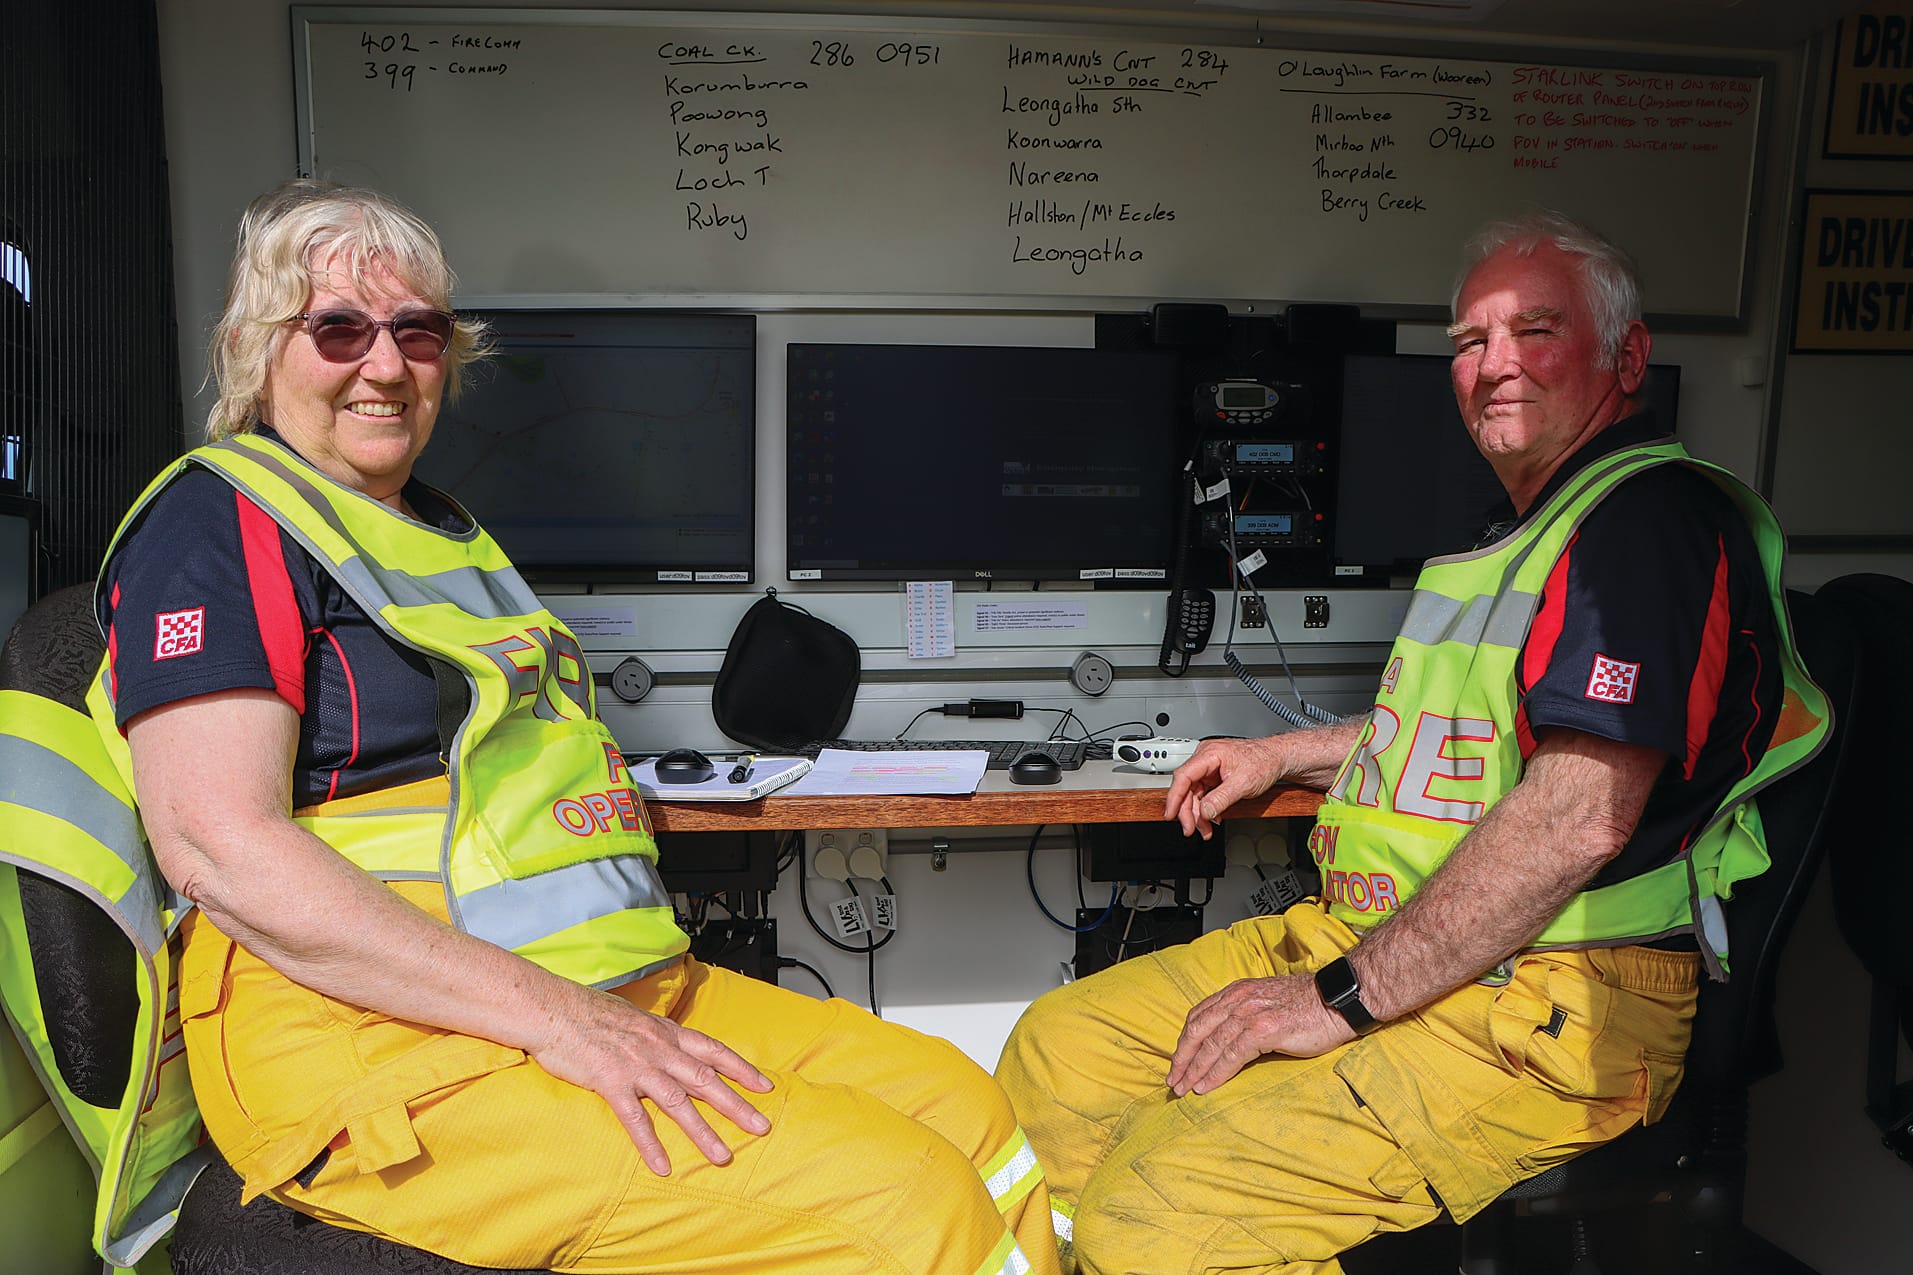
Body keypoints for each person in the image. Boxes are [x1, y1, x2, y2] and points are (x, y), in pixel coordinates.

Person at [20, 179, 1055, 1275]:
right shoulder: (217, 521)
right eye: (339, 328)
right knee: (903, 1208)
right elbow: (220, 846)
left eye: (416, 332)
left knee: (968, 1117)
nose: (385, 365)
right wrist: (560, 1022)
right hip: (376, 1036)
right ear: (254, 345)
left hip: (600, 988)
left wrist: (582, 1006)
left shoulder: (440, 532)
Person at [996, 210, 1831, 1275]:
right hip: (1386, 940)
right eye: (1468, 342)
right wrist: (1282, 755)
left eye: (1533, 332)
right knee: (1056, 1058)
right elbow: (1458, 739)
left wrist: (1334, 998)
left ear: (1625, 359)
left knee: (1153, 1221)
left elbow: (1578, 815)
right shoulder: (1519, 530)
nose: (1492, 366)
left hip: (1545, 1002)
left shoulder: (1643, 526)